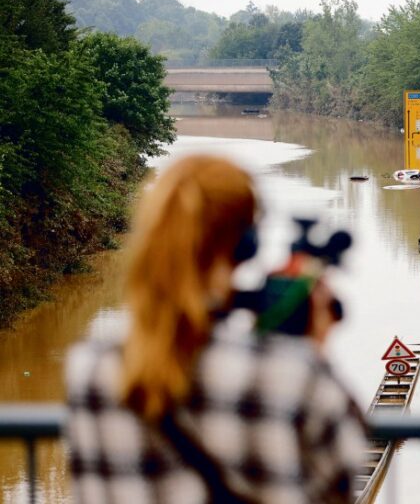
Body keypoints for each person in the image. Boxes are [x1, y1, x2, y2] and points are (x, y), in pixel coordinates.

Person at [65, 155, 365, 504]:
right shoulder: (292, 376)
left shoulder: (88, 368)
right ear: (245, 244)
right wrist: (311, 347)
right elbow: (338, 484)